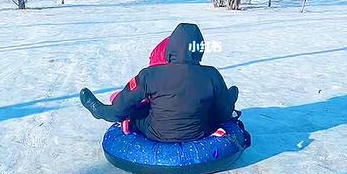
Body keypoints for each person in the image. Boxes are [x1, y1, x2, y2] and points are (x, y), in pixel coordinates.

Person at [80, 23, 239, 142]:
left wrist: (100, 110)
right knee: (214, 104)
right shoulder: (211, 74)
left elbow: (118, 110)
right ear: (199, 48)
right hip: (199, 132)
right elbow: (223, 112)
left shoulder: (150, 74)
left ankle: (127, 122)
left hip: (156, 133)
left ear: (171, 47)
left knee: (139, 109)